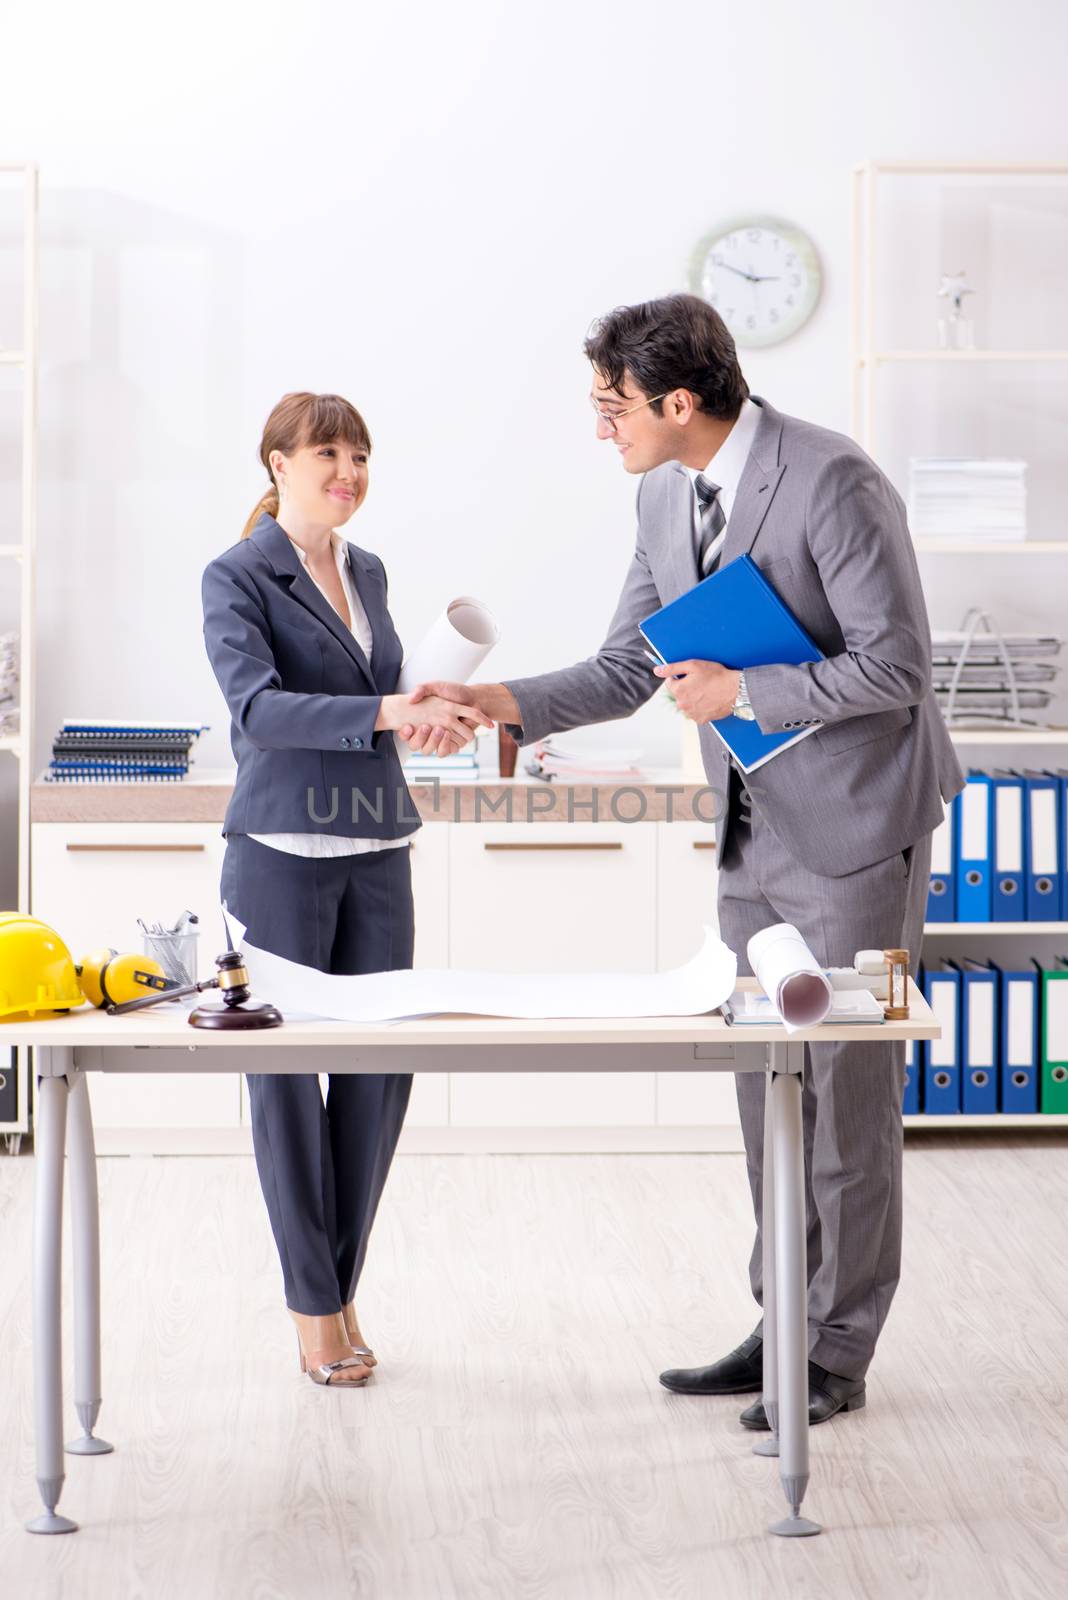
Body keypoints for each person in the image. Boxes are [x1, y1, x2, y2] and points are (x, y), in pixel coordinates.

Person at [401, 293, 966, 1426]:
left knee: (845, 1098)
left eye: (613, 408)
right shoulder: (668, 492)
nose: (600, 430)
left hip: (856, 829)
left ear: (677, 401)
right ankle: (784, 1325)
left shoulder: (832, 480)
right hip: (751, 835)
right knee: (769, 1089)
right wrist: (493, 701)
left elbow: (898, 666)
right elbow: (630, 666)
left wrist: (744, 690)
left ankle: (837, 1350)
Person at [202, 391, 490, 1386]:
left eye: (361, 454)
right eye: (329, 453)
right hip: (278, 853)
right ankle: (315, 1309)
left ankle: (335, 1285)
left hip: (377, 848)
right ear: (278, 462)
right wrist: (385, 708)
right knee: (285, 1088)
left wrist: (431, 717)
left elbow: (379, 705)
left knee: (377, 1076)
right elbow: (262, 710)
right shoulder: (237, 574)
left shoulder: (366, 569)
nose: (350, 472)